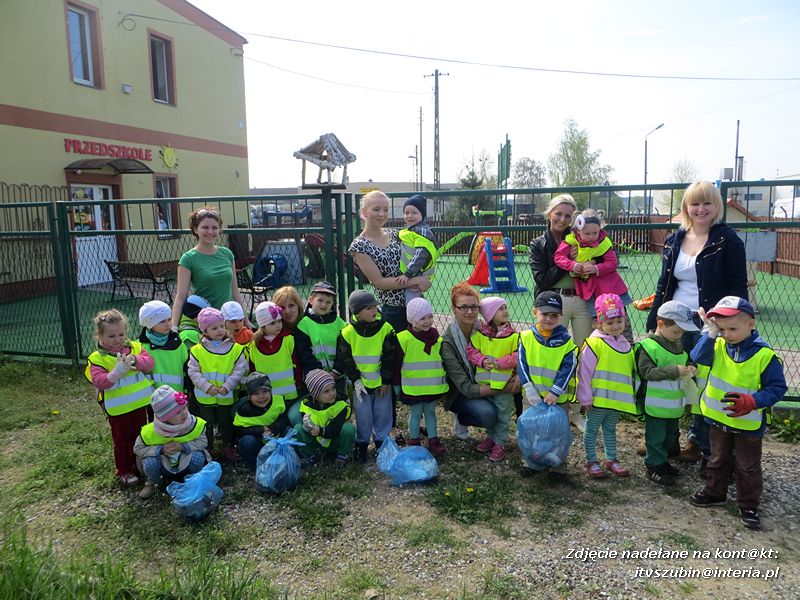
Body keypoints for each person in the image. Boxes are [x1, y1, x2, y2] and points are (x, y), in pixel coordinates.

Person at [647, 181, 748, 468]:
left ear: (716, 207)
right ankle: (666, 441)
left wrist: (729, 322)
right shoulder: (674, 239)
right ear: (686, 207)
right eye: (695, 203)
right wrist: (655, 316)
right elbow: (664, 282)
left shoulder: (727, 240)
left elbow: (738, 286)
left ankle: (698, 443)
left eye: (707, 203)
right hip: (675, 321)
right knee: (672, 380)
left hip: (710, 325)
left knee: (703, 383)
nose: (700, 209)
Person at [689, 296, 787, 530]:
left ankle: (748, 504)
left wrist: (754, 400)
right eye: (722, 329)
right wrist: (710, 334)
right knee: (716, 457)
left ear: (751, 324)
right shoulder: (719, 343)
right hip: (718, 417)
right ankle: (715, 492)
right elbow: (697, 357)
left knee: (747, 465)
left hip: (748, 422)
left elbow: (777, 387)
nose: (727, 334)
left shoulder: (765, 356)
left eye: (732, 329)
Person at [440, 283, 521, 446]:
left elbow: (514, 352)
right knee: (488, 414)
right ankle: (462, 416)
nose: (469, 312)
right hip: (462, 392)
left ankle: (518, 434)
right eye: (463, 307)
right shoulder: (448, 342)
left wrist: (518, 375)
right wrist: (503, 387)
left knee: (518, 387)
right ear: (454, 309)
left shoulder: (489, 330)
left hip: (490, 380)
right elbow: (466, 388)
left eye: (474, 307)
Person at [85, 309, 155, 486]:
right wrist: (116, 372)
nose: (117, 339)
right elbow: (99, 382)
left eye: (121, 334)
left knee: (141, 436)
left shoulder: (136, 347)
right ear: (99, 336)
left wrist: (135, 360)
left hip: (139, 404)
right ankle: (124, 470)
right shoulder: (97, 358)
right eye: (111, 336)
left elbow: (149, 364)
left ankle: (140, 465)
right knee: (122, 440)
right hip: (118, 409)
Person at [349, 190, 432, 333]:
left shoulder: (396, 234)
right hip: (393, 310)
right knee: (396, 352)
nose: (382, 214)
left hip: (416, 303)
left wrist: (426, 277)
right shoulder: (359, 245)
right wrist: (417, 280)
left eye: (385, 210)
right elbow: (379, 282)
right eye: (376, 209)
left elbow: (418, 257)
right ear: (364, 212)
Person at [635, 301, 698, 486]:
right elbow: (647, 373)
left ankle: (662, 461)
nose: (679, 336)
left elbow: (683, 364)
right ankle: (654, 466)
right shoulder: (647, 346)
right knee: (656, 436)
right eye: (676, 331)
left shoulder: (677, 345)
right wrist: (674, 371)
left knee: (671, 434)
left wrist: (691, 369)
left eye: (682, 333)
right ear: (660, 324)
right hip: (655, 404)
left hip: (673, 404)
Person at [517, 291, 578, 482]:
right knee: (531, 429)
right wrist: (529, 388)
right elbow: (522, 364)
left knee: (557, 431)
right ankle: (531, 462)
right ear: (535, 312)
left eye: (554, 315)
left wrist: (555, 391)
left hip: (557, 399)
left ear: (560, 316)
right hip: (532, 396)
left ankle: (558, 466)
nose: (549, 319)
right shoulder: (526, 337)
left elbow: (568, 368)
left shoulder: (567, 342)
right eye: (545, 314)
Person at [577, 293, 638, 479]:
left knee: (611, 429)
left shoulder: (625, 343)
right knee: (591, 429)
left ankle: (611, 459)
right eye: (610, 322)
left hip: (615, 401)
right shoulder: (594, 343)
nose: (616, 326)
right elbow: (584, 372)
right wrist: (585, 397)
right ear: (598, 324)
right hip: (598, 400)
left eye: (619, 321)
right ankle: (592, 460)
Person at [553, 209, 633, 341]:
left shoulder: (603, 242)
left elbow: (612, 262)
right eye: (587, 233)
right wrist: (572, 265)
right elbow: (559, 257)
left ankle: (627, 347)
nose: (591, 236)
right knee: (597, 326)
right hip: (591, 292)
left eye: (595, 233)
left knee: (621, 322)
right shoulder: (571, 241)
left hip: (610, 289)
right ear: (578, 230)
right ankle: (599, 351)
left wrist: (596, 268)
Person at [334, 290, 396, 463]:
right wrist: (356, 381)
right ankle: (361, 446)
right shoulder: (347, 333)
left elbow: (390, 357)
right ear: (356, 312)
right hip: (361, 384)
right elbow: (346, 360)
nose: (374, 310)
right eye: (368, 308)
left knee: (383, 414)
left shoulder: (385, 328)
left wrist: (385, 380)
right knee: (363, 416)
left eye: (375, 306)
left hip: (381, 383)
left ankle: (381, 445)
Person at [529, 194, 592, 347]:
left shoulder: (580, 239)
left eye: (567, 216)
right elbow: (542, 280)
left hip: (583, 299)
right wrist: (566, 261)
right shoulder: (538, 244)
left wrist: (591, 262)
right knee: (552, 347)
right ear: (550, 213)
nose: (562, 219)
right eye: (558, 214)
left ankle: (580, 372)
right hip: (554, 301)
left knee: (585, 350)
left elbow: (604, 257)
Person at [171, 206, 248, 328]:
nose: (210, 232)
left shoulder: (227, 254)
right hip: (204, 322)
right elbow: (181, 297)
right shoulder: (188, 259)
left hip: (227, 321)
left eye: (214, 228)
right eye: (205, 227)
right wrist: (174, 327)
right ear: (196, 229)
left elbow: (235, 291)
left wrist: (245, 319)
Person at [187, 307, 247, 461]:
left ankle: (228, 446)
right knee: (206, 423)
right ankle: (208, 447)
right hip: (205, 395)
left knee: (226, 421)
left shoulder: (235, 349)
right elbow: (193, 372)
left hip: (225, 393)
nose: (220, 330)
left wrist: (228, 386)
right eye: (214, 328)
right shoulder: (196, 350)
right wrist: (207, 387)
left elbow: (239, 369)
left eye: (222, 326)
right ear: (204, 330)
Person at [134, 386, 210, 499]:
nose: (184, 413)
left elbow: (203, 442)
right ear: (164, 418)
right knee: (149, 462)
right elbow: (138, 449)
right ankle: (154, 482)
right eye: (177, 412)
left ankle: (191, 480)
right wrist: (160, 449)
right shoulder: (150, 431)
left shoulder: (193, 424)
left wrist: (183, 446)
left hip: (185, 462)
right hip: (163, 465)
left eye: (184, 407)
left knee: (198, 457)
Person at [467, 296, 519, 462]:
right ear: (489, 315)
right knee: (491, 414)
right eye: (500, 309)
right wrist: (482, 360)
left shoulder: (513, 336)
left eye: (505, 308)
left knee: (503, 414)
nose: (505, 311)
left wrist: (502, 363)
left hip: (504, 385)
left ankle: (500, 442)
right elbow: (471, 351)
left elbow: (519, 355)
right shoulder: (480, 335)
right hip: (484, 385)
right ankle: (491, 437)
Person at [395, 298, 448, 457]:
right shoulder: (403, 338)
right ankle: (414, 440)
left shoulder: (437, 339)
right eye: (422, 318)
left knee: (431, 412)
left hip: (432, 386)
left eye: (429, 316)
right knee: (416, 413)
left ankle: (433, 440)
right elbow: (396, 365)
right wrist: (396, 386)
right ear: (412, 320)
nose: (427, 321)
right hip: (413, 387)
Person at [294, 369, 355, 467]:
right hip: (317, 442)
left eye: (333, 388)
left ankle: (342, 455)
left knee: (348, 428)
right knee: (298, 429)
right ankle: (311, 456)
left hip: (334, 441)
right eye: (326, 391)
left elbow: (336, 428)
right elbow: (307, 428)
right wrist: (307, 427)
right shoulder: (306, 405)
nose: (332, 393)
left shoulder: (340, 405)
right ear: (315, 394)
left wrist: (321, 431)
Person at [233, 372, 290, 468]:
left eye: (265, 391)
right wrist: (260, 431)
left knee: (289, 431)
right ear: (249, 396)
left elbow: (284, 419)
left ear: (271, 391)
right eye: (256, 393)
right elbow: (239, 429)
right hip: (258, 442)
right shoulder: (244, 410)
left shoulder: (278, 401)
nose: (261, 397)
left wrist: (273, 428)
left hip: (276, 437)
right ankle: (255, 464)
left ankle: (288, 458)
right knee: (247, 441)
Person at [138, 300, 190, 394]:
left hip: (178, 396)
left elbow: (187, 369)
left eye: (169, 319)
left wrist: (187, 392)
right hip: (152, 399)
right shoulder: (140, 347)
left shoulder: (179, 344)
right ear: (150, 324)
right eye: (162, 321)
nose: (168, 324)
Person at [396, 194, 439, 305]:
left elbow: (421, 254)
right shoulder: (410, 231)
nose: (410, 216)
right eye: (406, 213)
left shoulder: (423, 232)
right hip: (411, 274)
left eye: (414, 213)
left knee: (413, 305)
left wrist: (408, 273)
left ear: (422, 215)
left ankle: (416, 321)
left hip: (416, 275)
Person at [294, 281, 346, 371]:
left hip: (337, 372)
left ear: (332, 304)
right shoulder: (303, 325)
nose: (324, 305)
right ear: (311, 300)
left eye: (328, 302)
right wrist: (318, 370)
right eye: (320, 300)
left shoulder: (340, 324)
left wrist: (337, 370)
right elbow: (305, 353)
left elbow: (344, 351)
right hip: (314, 371)